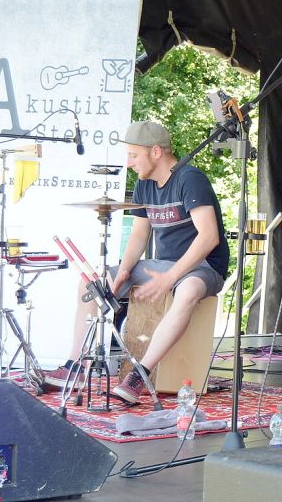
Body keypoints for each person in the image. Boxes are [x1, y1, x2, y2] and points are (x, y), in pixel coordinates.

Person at [44, 121, 229, 404]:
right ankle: (76, 365)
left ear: (156, 151)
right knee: (92, 281)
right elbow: (140, 234)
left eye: (133, 155)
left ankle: (139, 375)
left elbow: (209, 238)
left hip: (203, 267)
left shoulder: (190, 179)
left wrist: (169, 279)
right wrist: (126, 270)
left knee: (188, 290)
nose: (129, 163)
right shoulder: (144, 184)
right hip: (163, 264)